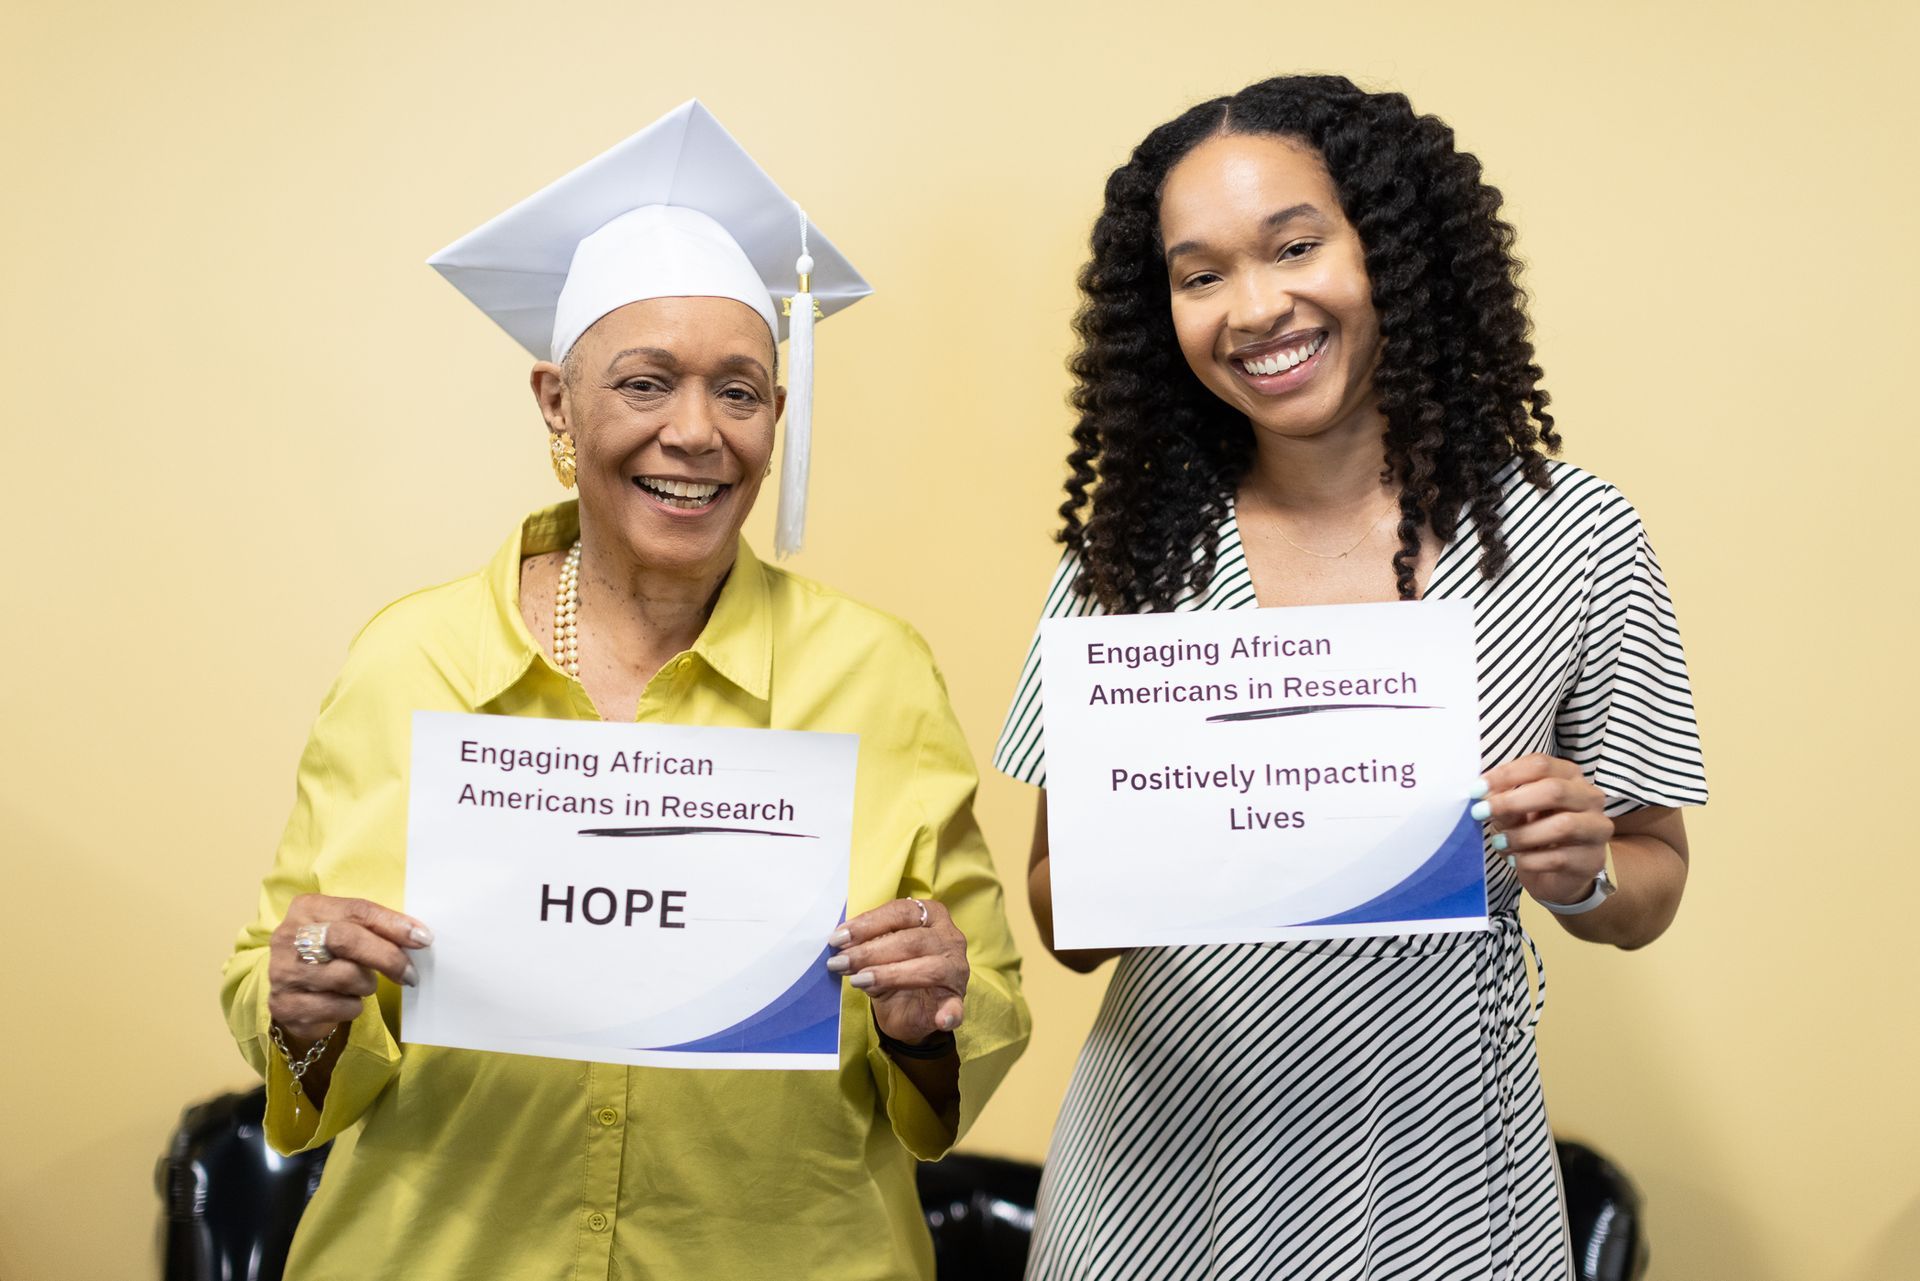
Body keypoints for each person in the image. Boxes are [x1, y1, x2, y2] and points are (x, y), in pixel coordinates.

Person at [221, 100, 1029, 1281]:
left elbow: (983, 1001)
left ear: (776, 418)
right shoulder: (416, 659)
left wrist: (930, 1019)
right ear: (556, 404)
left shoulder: (877, 673)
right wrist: (301, 999)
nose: (696, 433)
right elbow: (275, 981)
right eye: (645, 384)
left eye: (741, 392)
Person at [995, 75, 1706, 1280]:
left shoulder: (1574, 538)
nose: (1255, 307)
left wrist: (1582, 870)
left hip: (1443, 1183)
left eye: (1295, 246)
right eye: (1200, 274)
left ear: (1390, 249)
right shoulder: (1130, 553)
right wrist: (1202, 826)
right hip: (1160, 1175)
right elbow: (1060, 919)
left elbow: (1652, 878)